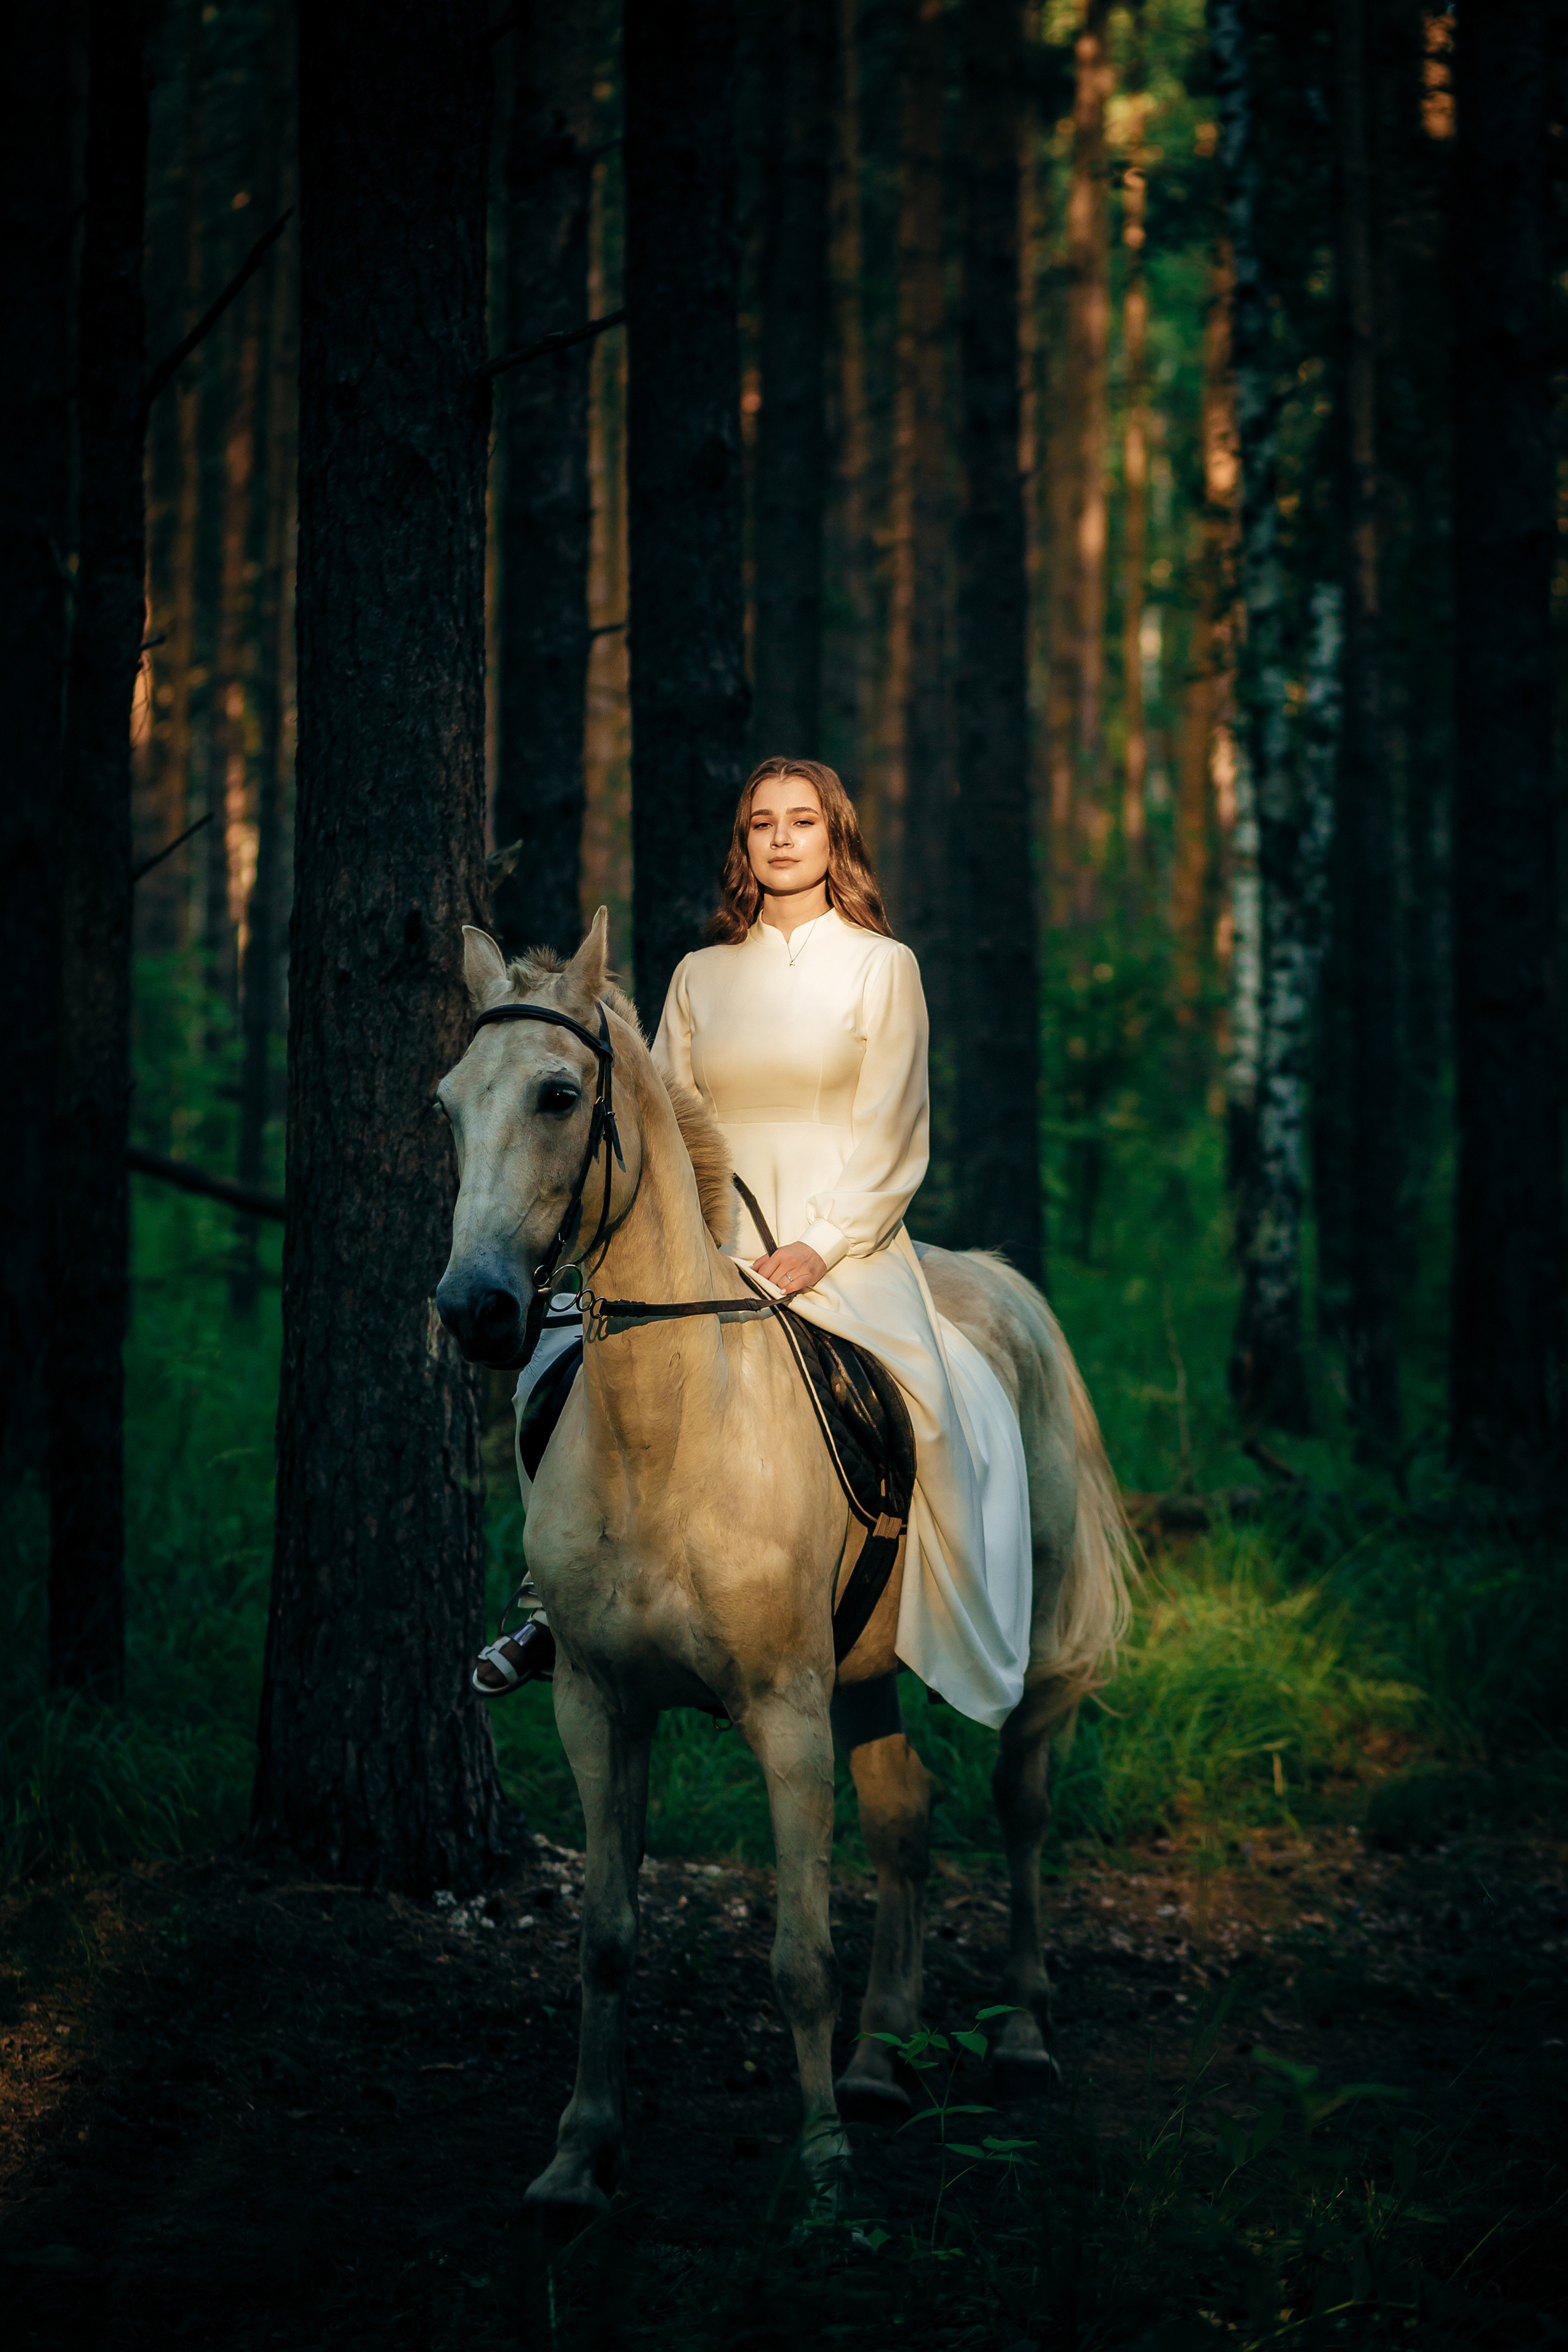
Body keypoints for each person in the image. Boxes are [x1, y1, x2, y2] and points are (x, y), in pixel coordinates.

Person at [473, 758, 1031, 1727]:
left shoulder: (882, 966)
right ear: (745, 844)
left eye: (801, 820)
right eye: (762, 821)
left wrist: (820, 1246)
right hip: (711, 1238)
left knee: (934, 1408)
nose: (780, 837)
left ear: (834, 837)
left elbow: (896, 1135)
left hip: (845, 1241)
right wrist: (684, 1243)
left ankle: (933, 1612)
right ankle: (554, 1602)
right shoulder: (702, 974)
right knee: (557, 1363)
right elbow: (667, 1117)